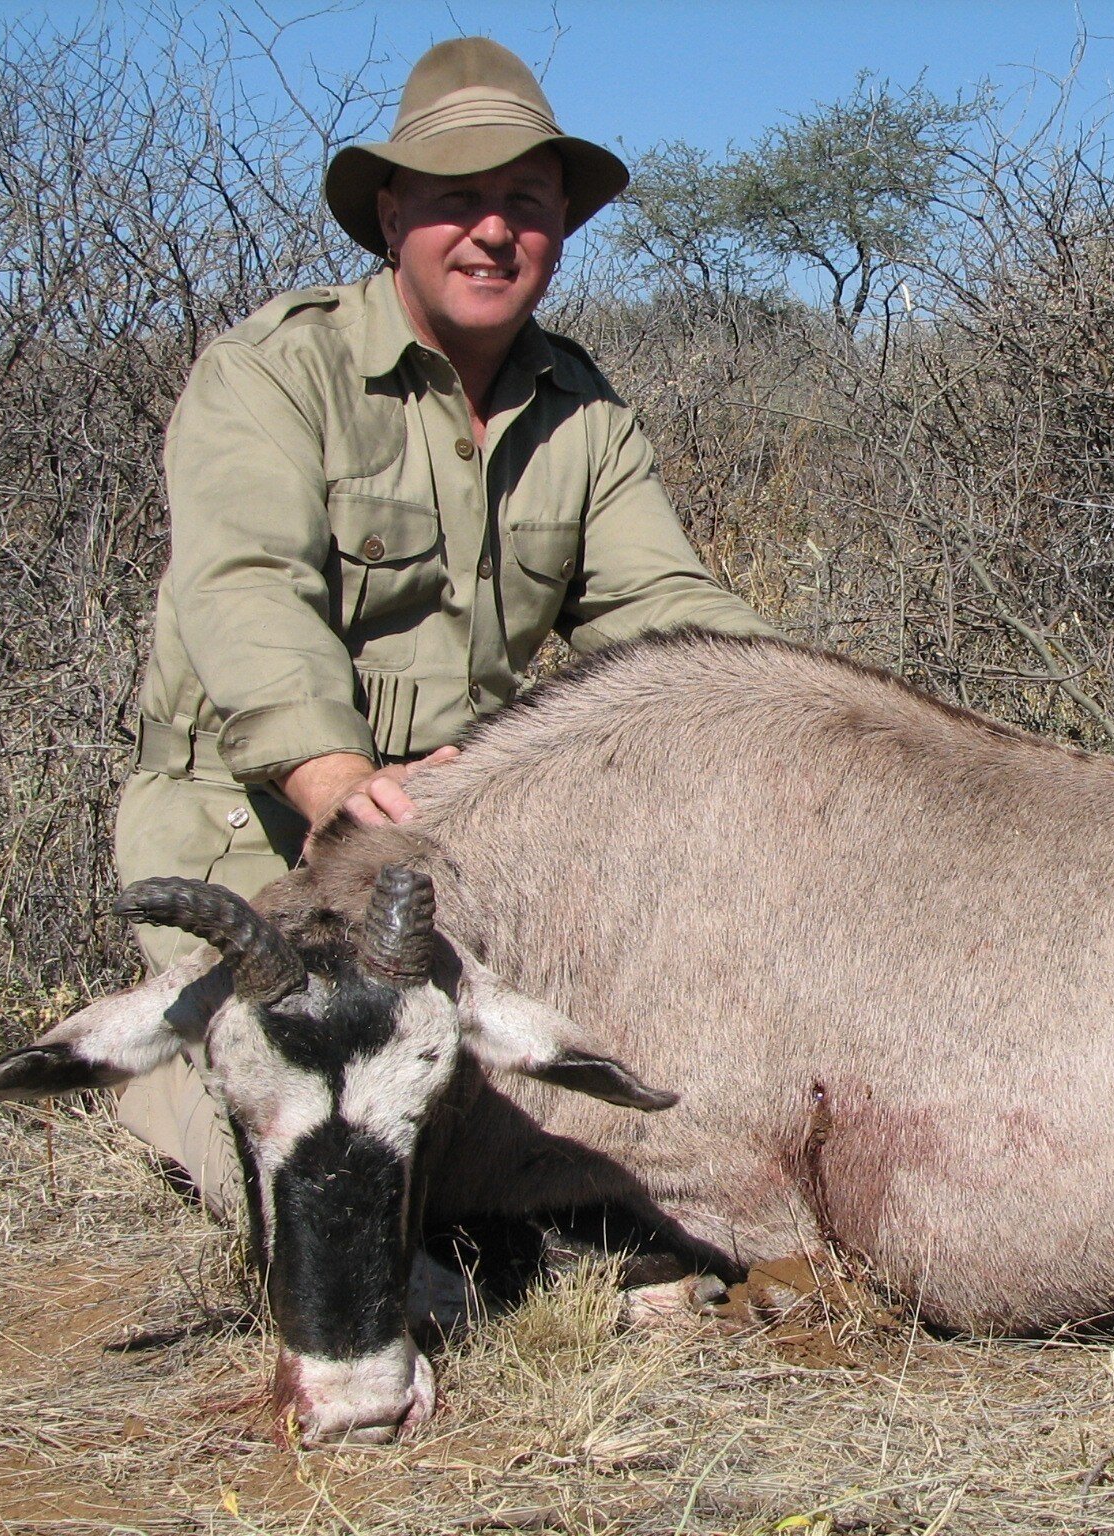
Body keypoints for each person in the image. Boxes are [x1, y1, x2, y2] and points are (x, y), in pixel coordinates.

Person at [113, 37, 772, 1210]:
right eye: (456, 200)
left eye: (524, 201)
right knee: (299, 1105)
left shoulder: (584, 414)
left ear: (560, 224)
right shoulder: (273, 373)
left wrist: (804, 714)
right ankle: (176, 1086)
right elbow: (247, 587)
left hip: (447, 850)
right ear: (388, 214)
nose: (492, 232)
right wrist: (331, 774)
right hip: (257, 835)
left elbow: (667, 611)